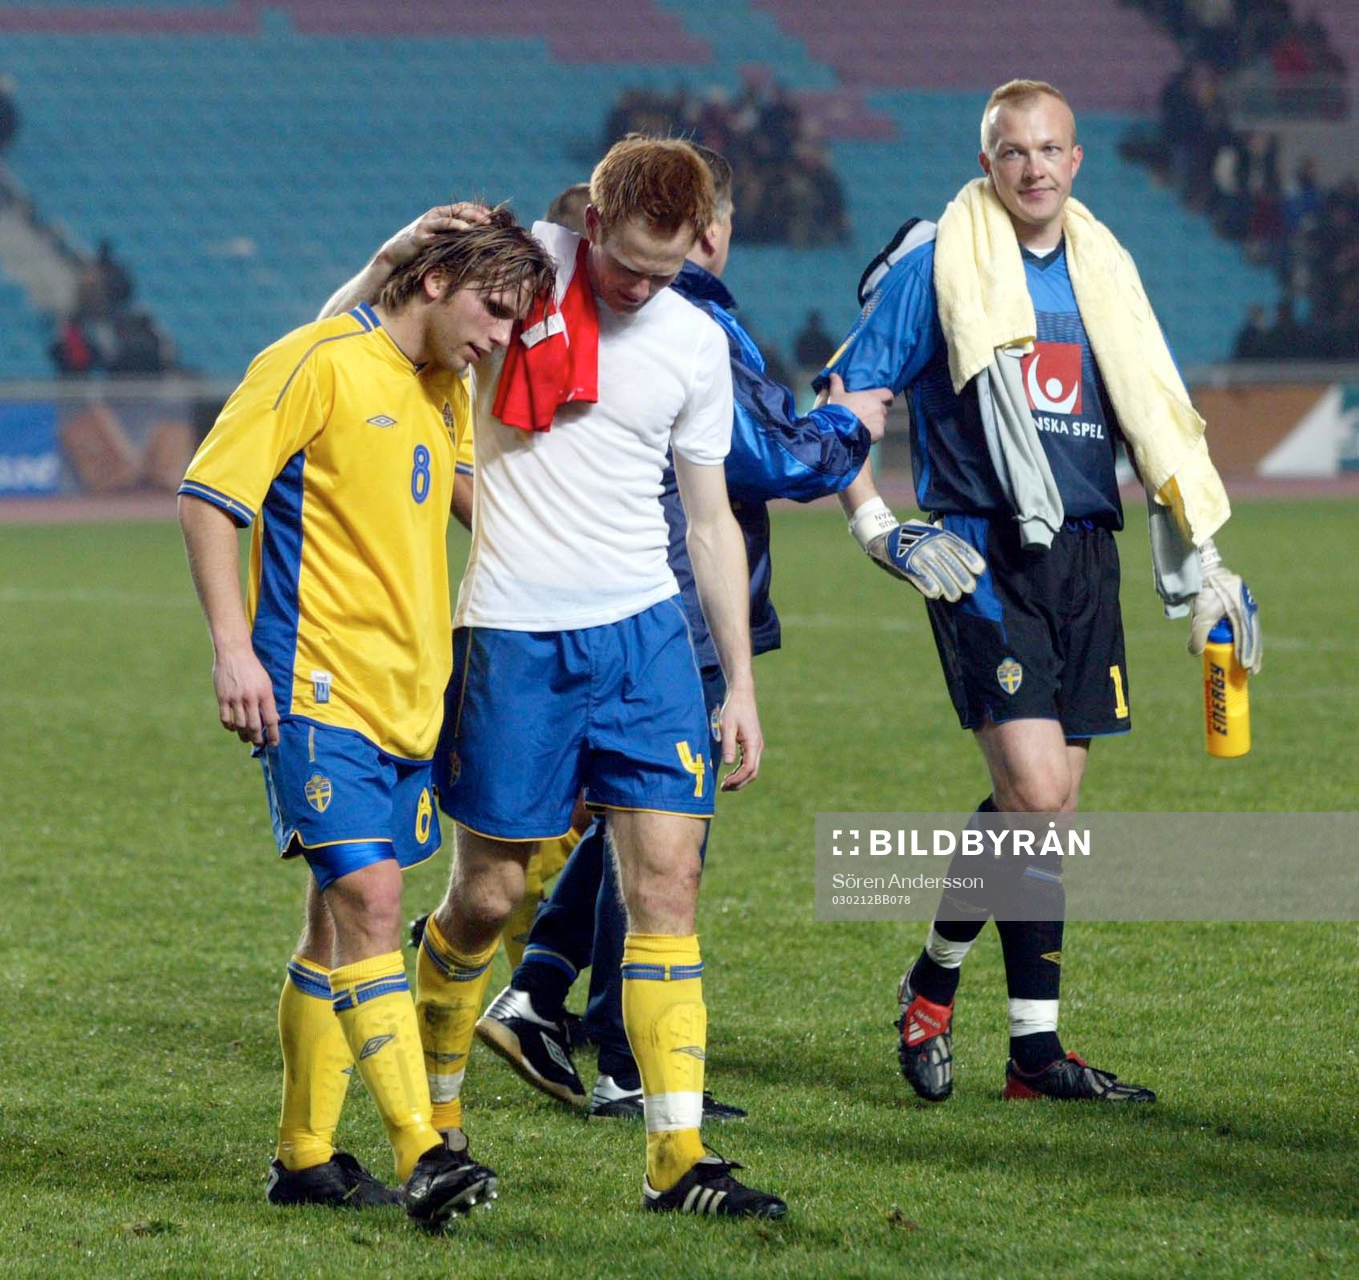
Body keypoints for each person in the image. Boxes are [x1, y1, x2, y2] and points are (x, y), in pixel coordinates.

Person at [330, 136, 786, 1218]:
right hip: (515, 636)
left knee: (669, 883)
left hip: (646, 638)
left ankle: (677, 1159)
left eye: (666, 271)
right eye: (626, 264)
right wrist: (390, 255)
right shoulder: (511, 276)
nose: (641, 288)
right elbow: (342, 345)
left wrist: (739, 684)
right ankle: (440, 1117)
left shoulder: (692, 339)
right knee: (487, 897)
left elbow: (710, 521)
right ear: (592, 222)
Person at [473, 150, 978, 1121]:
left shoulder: (635, 305)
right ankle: (624, 1058)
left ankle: (537, 992)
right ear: (712, 226)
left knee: (627, 822)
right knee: (664, 835)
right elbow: (769, 455)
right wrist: (847, 425)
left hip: (623, 596)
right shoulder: (690, 316)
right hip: (663, 605)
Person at [821, 80, 1262, 1105]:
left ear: (1075, 161)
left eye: (1050, 149)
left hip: (1086, 552)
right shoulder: (939, 265)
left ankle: (1021, 1043)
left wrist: (1206, 566)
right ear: (987, 163)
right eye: (1013, 151)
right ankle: (952, 999)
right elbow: (847, 395)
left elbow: (1157, 419)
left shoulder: (1106, 268)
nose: (1033, 168)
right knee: (1031, 791)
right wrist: (875, 522)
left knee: (1049, 811)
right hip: (980, 550)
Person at [177, 207, 555, 1230]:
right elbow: (210, 497)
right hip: (316, 689)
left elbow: (483, 510)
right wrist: (232, 649)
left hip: (409, 699)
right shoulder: (314, 361)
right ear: (434, 281)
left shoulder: (443, 389)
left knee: (333, 922)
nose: (498, 337)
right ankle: (424, 1150)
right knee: (374, 899)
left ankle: (304, 1156)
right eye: (492, 309)